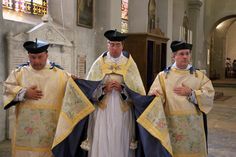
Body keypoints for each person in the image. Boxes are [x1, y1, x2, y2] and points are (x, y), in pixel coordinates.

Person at [51, 30, 173, 157]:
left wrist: (123, 90)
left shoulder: (130, 65)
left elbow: (138, 94)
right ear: (107, 45)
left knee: (121, 140)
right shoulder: (99, 64)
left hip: (123, 112)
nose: (114, 48)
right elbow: (89, 91)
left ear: (122, 46)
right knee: (102, 139)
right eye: (112, 44)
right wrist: (103, 90)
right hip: (102, 111)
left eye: (117, 45)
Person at [3, 39, 71, 157]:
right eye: (33, 57)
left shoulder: (60, 73)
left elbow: (75, 89)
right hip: (26, 130)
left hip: (49, 129)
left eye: (40, 57)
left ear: (46, 55)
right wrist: (24, 92)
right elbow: (7, 88)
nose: (36, 61)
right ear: (28, 56)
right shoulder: (19, 72)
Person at [148, 40, 215, 157]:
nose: (185, 57)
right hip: (172, 124)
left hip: (194, 125)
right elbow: (156, 96)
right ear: (173, 56)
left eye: (187, 53)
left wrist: (191, 93)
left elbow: (209, 95)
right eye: (181, 54)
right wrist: (156, 95)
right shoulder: (163, 76)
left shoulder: (198, 75)